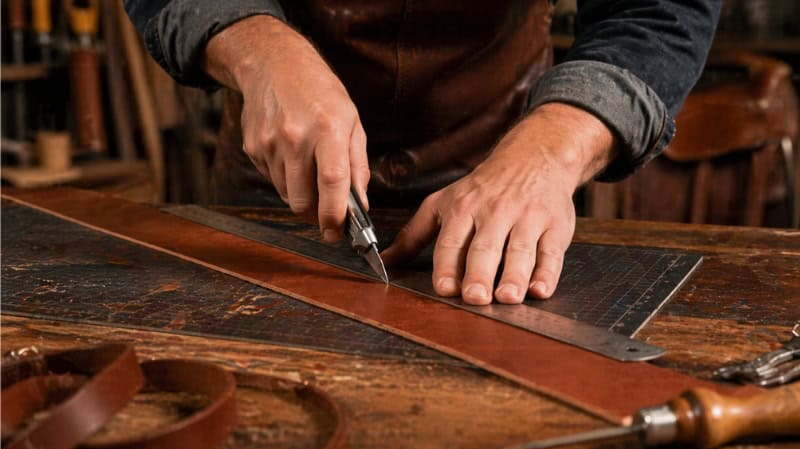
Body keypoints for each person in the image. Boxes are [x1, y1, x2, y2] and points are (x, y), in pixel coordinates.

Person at [125, 1, 720, 305]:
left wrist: (547, 155)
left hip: (507, 191)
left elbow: (658, 10)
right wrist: (258, 48)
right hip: (275, 187)